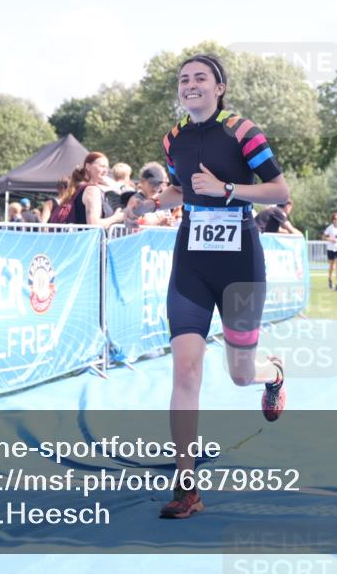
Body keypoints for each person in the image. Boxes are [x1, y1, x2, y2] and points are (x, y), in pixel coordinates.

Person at [124, 54, 289, 519]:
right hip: (191, 263)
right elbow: (183, 191)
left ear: (219, 88)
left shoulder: (242, 131)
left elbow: (280, 191)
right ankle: (187, 486)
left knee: (240, 373)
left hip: (240, 261)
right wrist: (155, 203)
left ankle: (272, 375)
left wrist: (228, 189)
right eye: (183, 80)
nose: (190, 84)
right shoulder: (173, 138)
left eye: (200, 78)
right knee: (187, 370)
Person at [71, 152, 125, 229]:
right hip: (90, 240)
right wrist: (116, 218)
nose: (106, 170)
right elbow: (94, 224)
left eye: (107, 167)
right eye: (102, 166)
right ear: (88, 167)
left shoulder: (80, 187)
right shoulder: (92, 190)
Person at [129, 162, 173, 228]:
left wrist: (169, 223)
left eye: (160, 182)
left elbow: (169, 224)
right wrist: (158, 223)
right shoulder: (135, 200)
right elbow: (132, 225)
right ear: (143, 181)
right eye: (153, 182)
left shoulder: (162, 200)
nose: (156, 187)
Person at [322, 211, 337, 291]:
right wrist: (330, 239)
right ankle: (329, 278)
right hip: (331, 249)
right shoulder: (330, 228)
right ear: (333, 220)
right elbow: (323, 237)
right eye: (335, 219)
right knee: (331, 267)